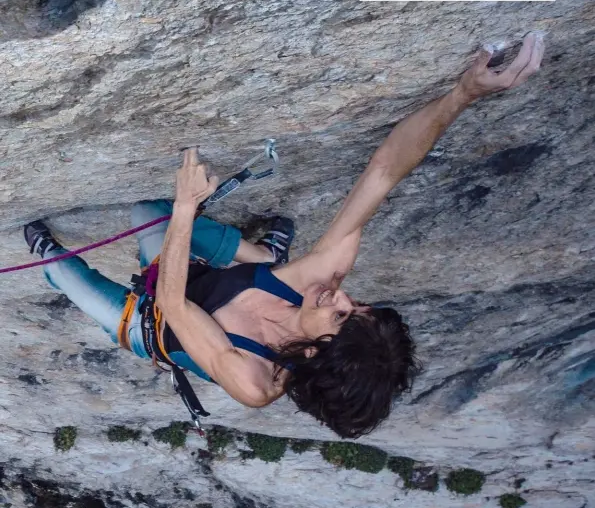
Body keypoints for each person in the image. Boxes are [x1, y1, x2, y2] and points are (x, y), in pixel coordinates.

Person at [24, 32, 545, 438]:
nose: (341, 292)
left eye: (340, 313)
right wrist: (462, 94)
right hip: (198, 279)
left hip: (151, 322)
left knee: (62, 270)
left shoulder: (255, 381)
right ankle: (263, 255)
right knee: (144, 211)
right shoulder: (321, 283)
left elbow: (174, 307)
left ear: (314, 352)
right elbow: (384, 171)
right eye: (356, 303)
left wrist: (187, 208)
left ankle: (53, 260)